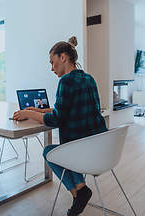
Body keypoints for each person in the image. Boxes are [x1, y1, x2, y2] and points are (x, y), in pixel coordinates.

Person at [13, 36, 107, 216]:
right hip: (100, 147)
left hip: (81, 151)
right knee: (68, 146)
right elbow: (67, 108)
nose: (51, 67)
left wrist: (27, 113)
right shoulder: (88, 78)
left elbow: (56, 119)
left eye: (52, 62)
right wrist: (38, 110)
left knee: (49, 151)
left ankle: (78, 191)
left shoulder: (65, 81)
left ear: (62, 57)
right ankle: (80, 192)